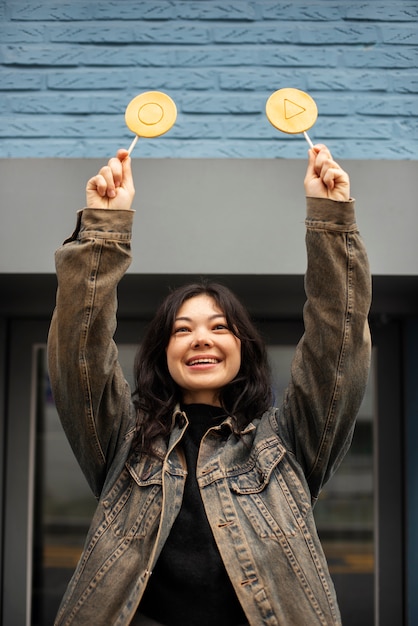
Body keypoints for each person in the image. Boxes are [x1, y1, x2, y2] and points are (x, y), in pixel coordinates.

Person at [47, 144, 371, 626]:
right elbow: (80, 348)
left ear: (243, 348)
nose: (201, 338)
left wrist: (330, 220)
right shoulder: (125, 441)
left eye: (219, 327)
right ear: (164, 352)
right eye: (183, 329)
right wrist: (103, 230)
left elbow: (335, 343)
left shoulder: (286, 443)